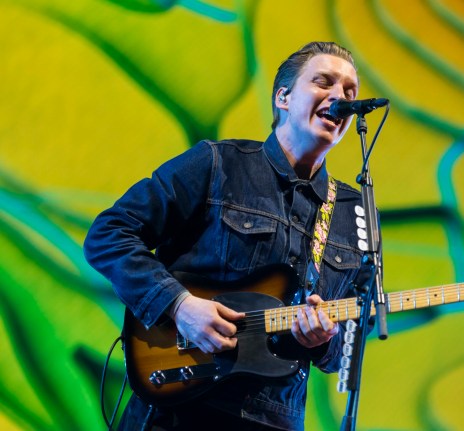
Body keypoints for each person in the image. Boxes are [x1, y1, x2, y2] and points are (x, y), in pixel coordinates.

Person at [84, 41, 366, 430]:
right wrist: (180, 306)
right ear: (282, 97)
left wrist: (322, 341)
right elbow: (109, 234)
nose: (340, 97)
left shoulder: (356, 215)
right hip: (178, 409)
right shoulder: (218, 163)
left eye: (350, 92)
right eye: (324, 82)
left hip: (274, 418)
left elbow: (344, 349)